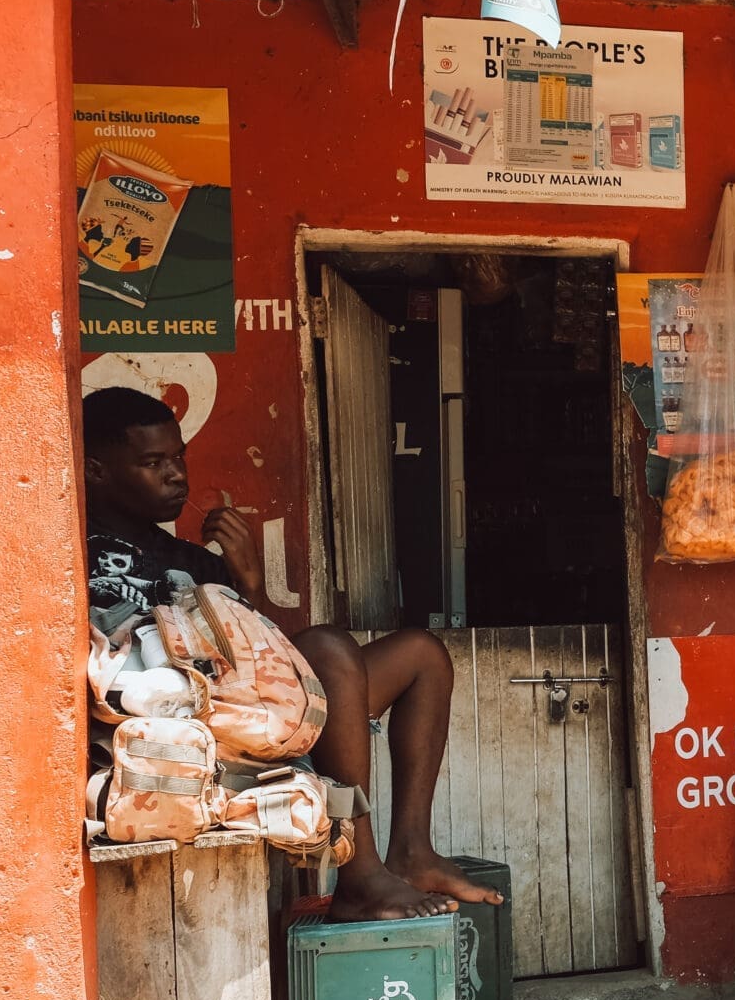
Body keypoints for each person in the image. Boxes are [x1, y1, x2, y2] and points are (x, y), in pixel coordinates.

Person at [81, 387, 500, 920]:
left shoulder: (191, 560)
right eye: (152, 462)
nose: (176, 476)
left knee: (420, 653)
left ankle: (412, 851)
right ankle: (360, 877)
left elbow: (258, 661)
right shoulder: (75, 549)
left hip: (244, 713)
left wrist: (248, 583)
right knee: (326, 647)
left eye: (178, 457)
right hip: (177, 730)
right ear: (96, 471)